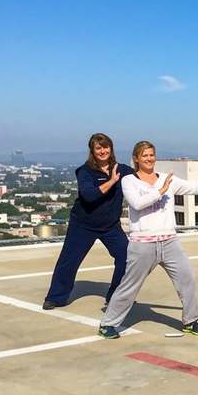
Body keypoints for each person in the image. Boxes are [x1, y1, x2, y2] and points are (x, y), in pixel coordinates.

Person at [98, 141, 198, 338]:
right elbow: (137, 204)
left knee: (187, 280)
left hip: (169, 241)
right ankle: (108, 324)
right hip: (142, 244)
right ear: (136, 159)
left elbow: (191, 187)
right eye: (145, 155)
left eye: (151, 155)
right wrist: (161, 191)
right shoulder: (129, 181)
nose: (149, 159)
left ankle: (191, 321)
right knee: (129, 286)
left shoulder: (167, 179)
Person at [43, 133, 134, 310]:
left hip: (110, 226)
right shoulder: (85, 171)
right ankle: (56, 297)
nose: (103, 151)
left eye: (105, 147)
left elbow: (142, 178)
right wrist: (112, 181)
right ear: (92, 151)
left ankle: (116, 296)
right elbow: (89, 195)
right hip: (83, 224)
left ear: (111, 148)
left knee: (127, 256)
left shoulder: (122, 169)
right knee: (69, 260)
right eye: (98, 148)